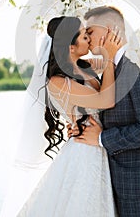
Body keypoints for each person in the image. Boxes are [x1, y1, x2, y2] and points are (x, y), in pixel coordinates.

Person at [70, 6, 140, 217]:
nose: (87, 39)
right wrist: (82, 127)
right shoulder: (113, 66)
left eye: (90, 32)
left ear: (109, 30)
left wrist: (101, 138)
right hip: (117, 177)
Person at [16, 16, 122, 217]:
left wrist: (108, 47)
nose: (88, 40)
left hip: (99, 145)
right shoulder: (57, 82)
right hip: (84, 153)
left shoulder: (85, 67)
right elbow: (106, 100)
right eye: (84, 37)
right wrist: (108, 59)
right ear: (70, 47)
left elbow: (118, 60)